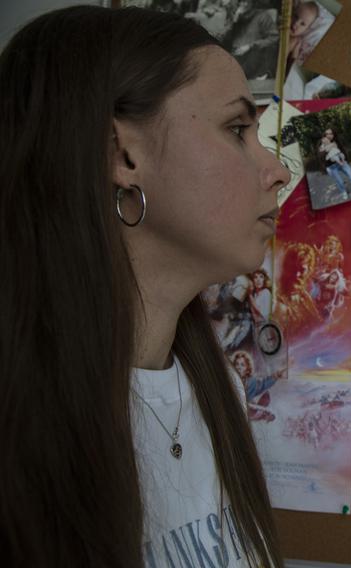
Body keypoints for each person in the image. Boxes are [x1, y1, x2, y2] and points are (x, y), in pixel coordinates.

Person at [0, 6, 290, 566]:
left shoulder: (220, 386)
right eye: (238, 129)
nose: (276, 169)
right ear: (122, 154)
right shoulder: (21, 424)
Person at [223, 0, 280, 80]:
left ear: (253, 2)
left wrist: (250, 46)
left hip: (253, 57)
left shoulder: (262, 16)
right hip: (235, 57)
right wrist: (234, 22)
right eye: (240, 2)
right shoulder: (236, 18)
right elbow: (225, 40)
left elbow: (274, 38)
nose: (243, 4)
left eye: (246, 1)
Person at [285, 0, 336, 73]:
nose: (296, 23)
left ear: (306, 29)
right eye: (296, 16)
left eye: (302, 24)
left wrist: (295, 51)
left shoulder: (296, 41)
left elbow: (291, 62)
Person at [318, 127, 351, 197]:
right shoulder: (322, 142)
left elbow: (342, 150)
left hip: (341, 161)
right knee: (339, 181)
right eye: (327, 134)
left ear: (334, 135)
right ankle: (343, 191)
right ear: (324, 135)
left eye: (331, 134)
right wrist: (329, 147)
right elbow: (320, 155)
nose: (329, 135)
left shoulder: (336, 141)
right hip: (331, 166)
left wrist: (345, 159)